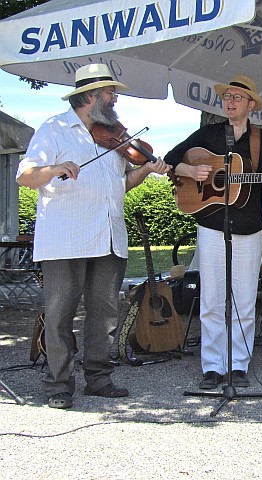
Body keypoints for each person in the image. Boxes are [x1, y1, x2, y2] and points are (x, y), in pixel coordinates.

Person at [16, 63, 172, 409]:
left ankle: (99, 379)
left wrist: (145, 169)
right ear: (89, 96)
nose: (114, 98)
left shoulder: (114, 135)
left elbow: (123, 185)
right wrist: (54, 169)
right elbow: (25, 175)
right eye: (109, 92)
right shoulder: (54, 128)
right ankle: (58, 384)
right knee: (60, 313)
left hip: (108, 235)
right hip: (65, 238)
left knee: (105, 313)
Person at [164, 75, 262, 389]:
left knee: (244, 300)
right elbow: (171, 161)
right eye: (228, 96)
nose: (231, 101)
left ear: (251, 105)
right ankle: (212, 366)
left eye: (238, 97)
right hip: (211, 225)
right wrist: (192, 170)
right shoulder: (208, 134)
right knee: (210, 300)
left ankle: (238, 365)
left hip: (249, 230)